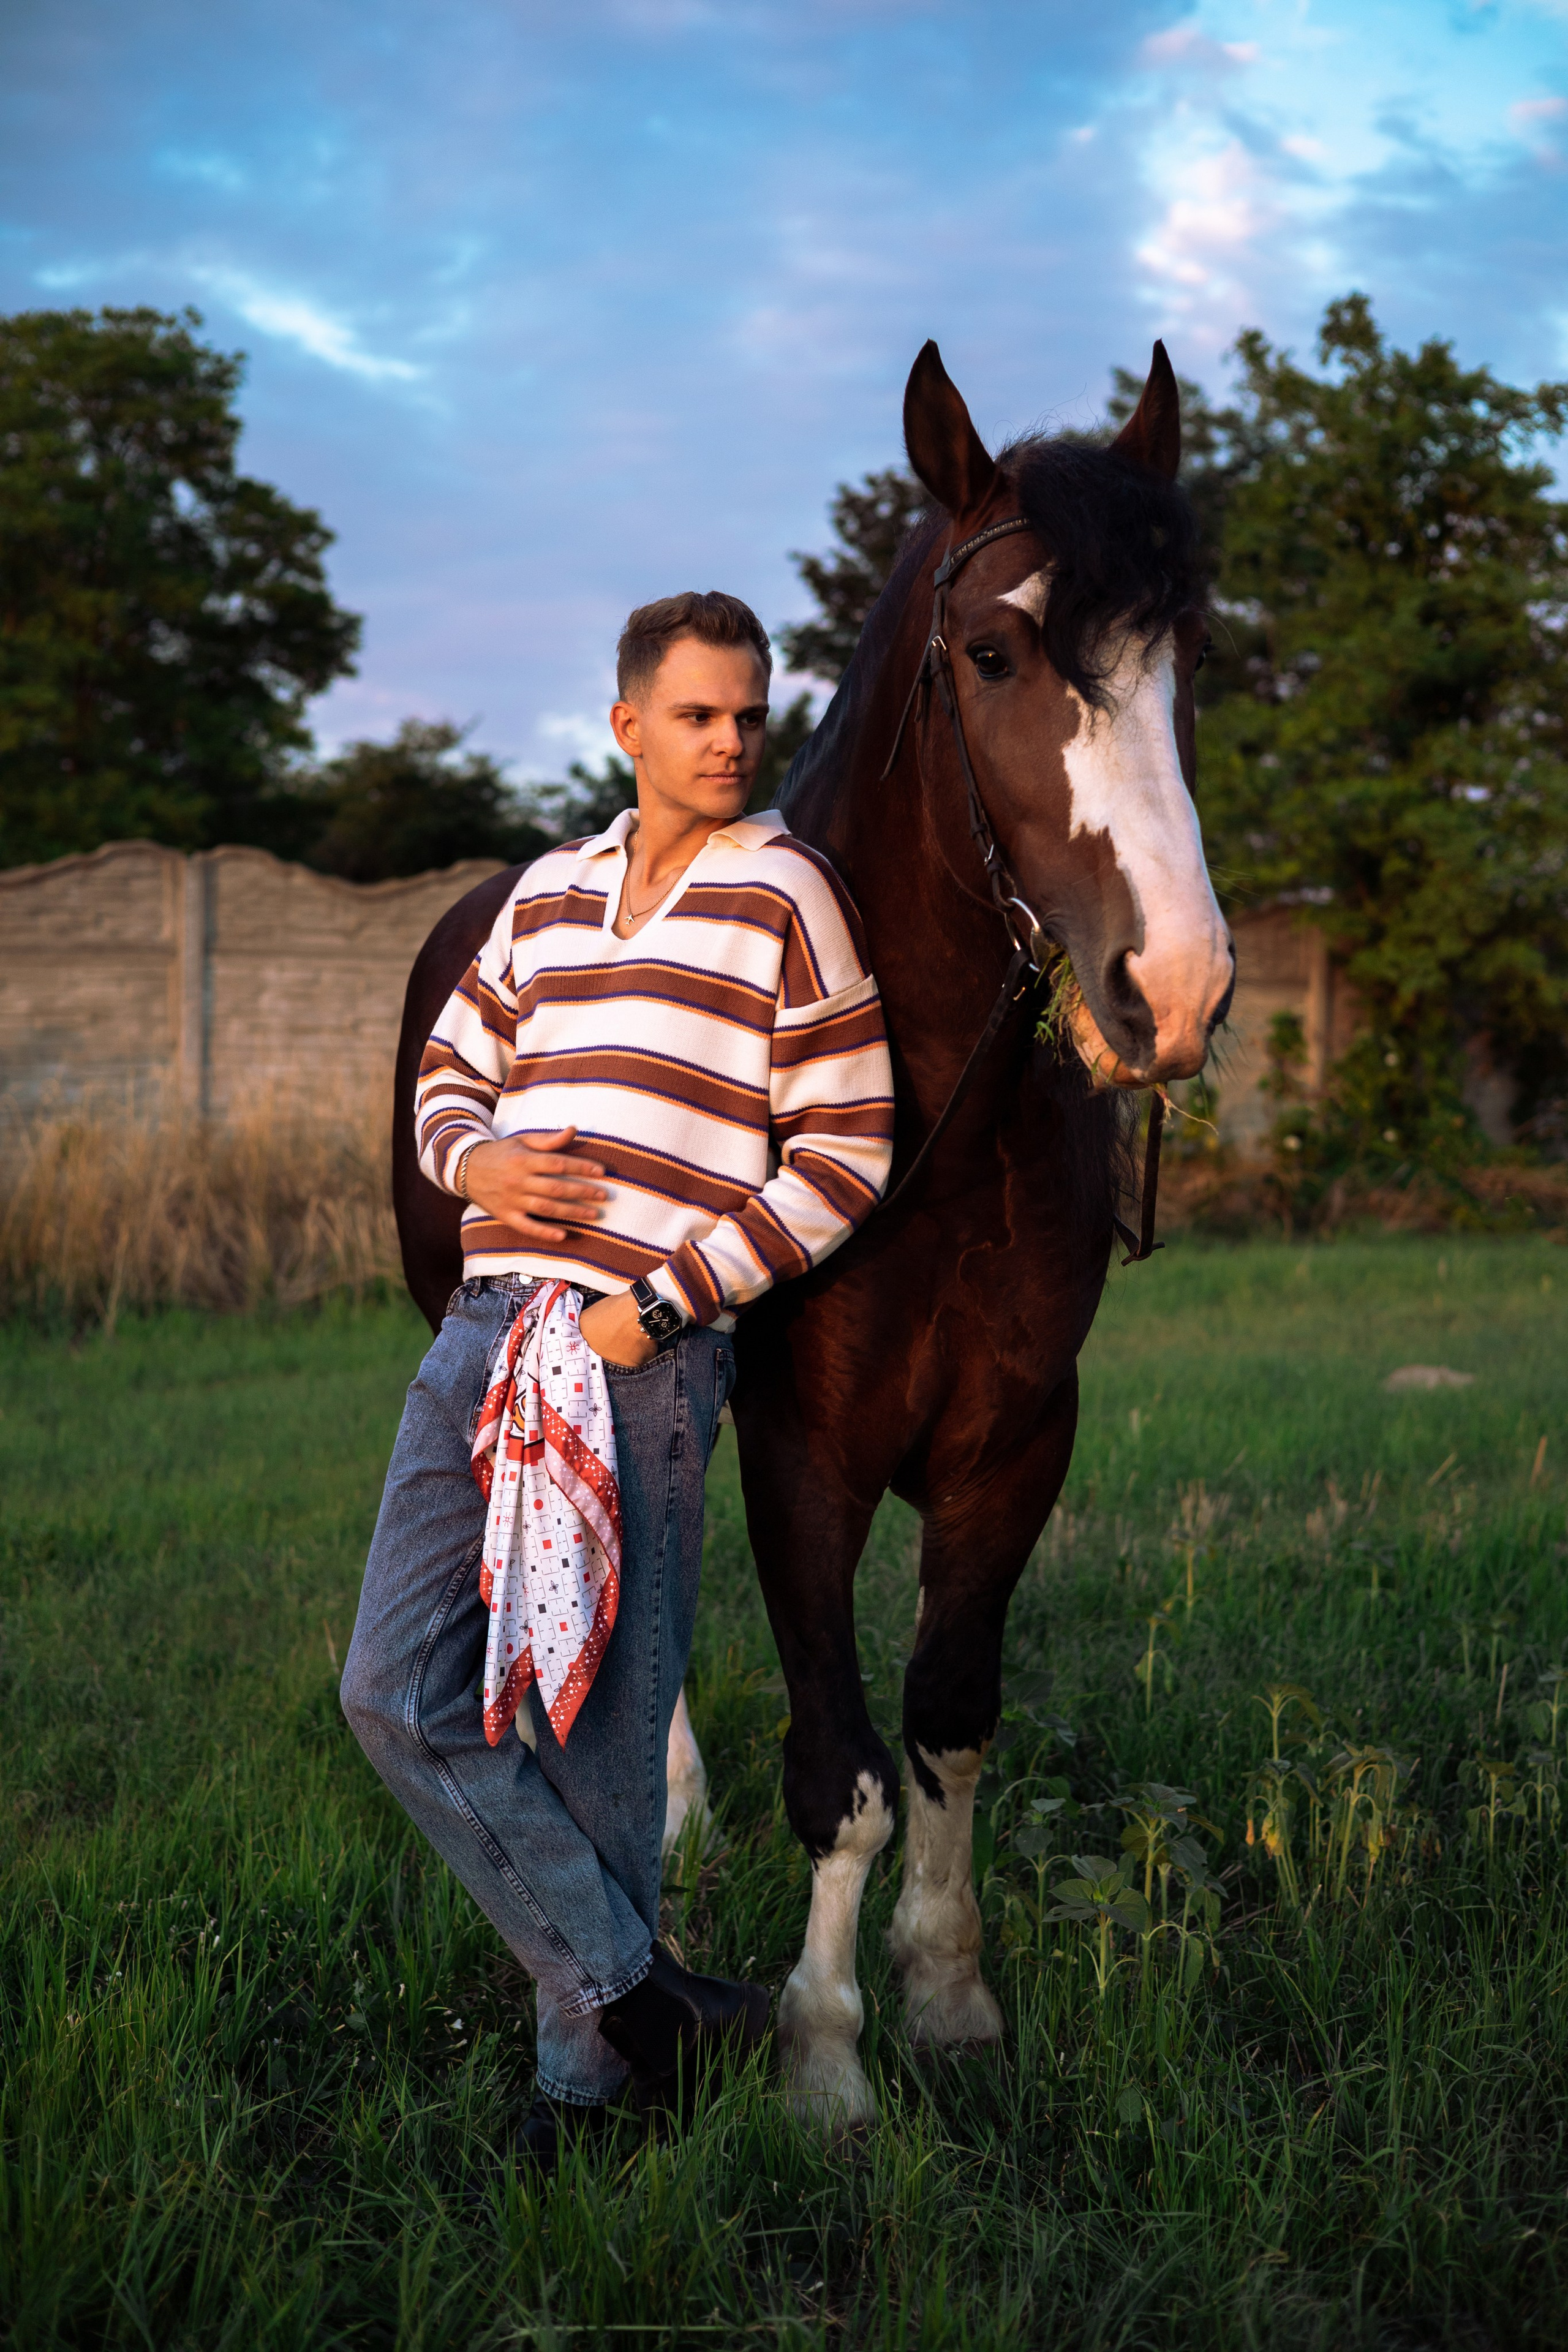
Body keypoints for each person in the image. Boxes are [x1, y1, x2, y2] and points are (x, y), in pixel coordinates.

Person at [342, 590, 895, 2171]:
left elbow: (848, 1149)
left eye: (748, 715)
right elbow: (450, 1077)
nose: (729, 741)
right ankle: (647, 2003)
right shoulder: (550, 891)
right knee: (393, 1687)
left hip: (639, 1355)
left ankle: (583, 2095)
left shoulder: (792, 894)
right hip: (489, 1329)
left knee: (597, 1729)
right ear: (627, 725)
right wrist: (481, 1163)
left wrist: (668, 1301)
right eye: (700, 714)